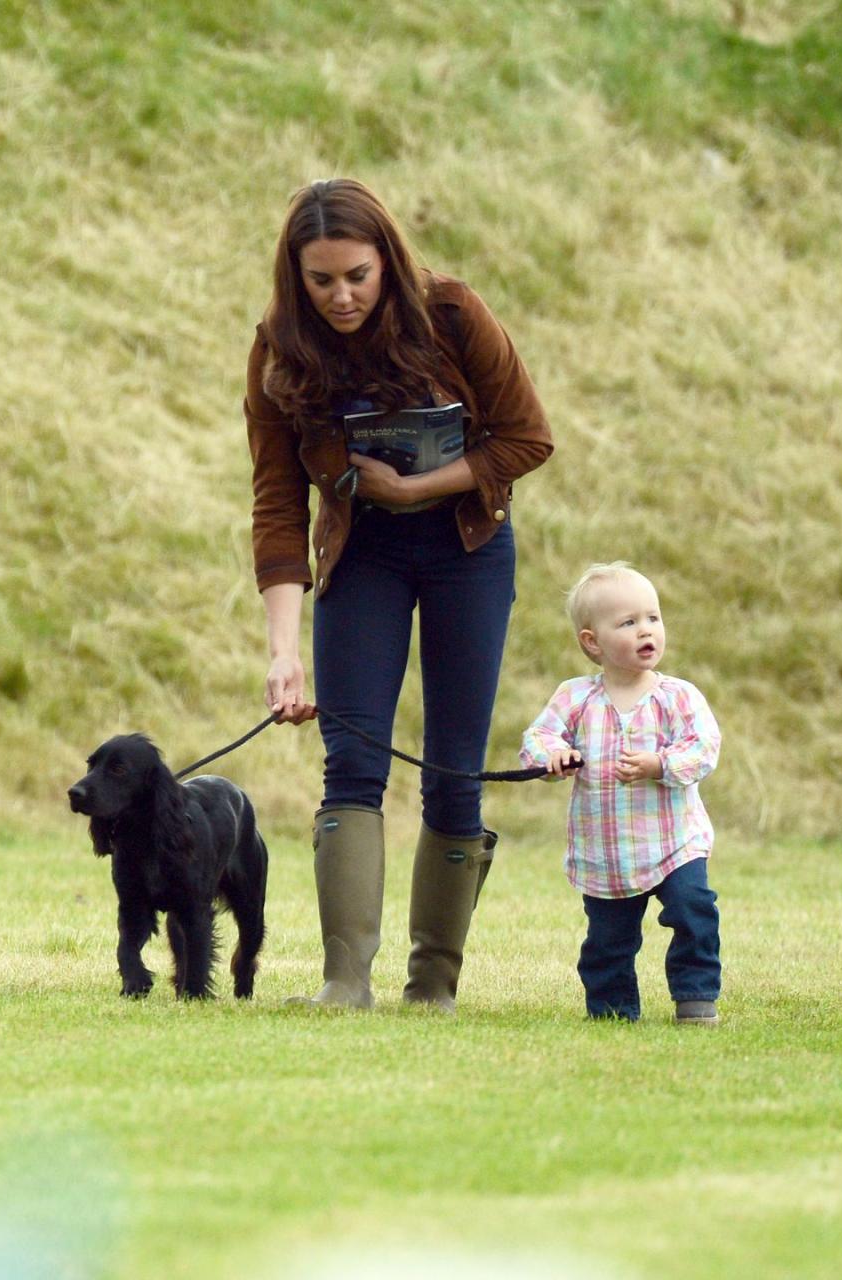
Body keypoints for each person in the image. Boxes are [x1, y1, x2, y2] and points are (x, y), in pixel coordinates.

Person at [244, 178, 553, 1011]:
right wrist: (282, 653)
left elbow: (529, 435)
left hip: (467, 550)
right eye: (321, 280)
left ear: (386, 260)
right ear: (295, 278)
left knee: (454, 771)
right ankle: (345, 984)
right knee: (353, 763)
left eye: (357, 275)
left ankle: (434, 988)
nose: (341, 296)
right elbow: (278, 502)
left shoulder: (451, 314)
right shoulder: (279, 348)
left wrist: (423, 489)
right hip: (362, 553)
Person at [520, 562, 722, 1024]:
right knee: (608, 941)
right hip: (607, 850)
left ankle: (696, 997)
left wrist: (661, 764)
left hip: (674, 842)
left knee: (694, 910)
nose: (645, 630)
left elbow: (704, 748)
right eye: (628, 623)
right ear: (592, 642)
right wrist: (554, 757)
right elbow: (537, 740)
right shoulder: (575, 698)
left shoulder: (678, 697)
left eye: (652, 618)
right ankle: (612, 1010)